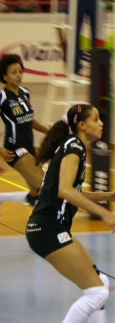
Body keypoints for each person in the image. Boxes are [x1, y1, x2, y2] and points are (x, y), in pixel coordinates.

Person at [25, 103, 115, 323]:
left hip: (50, 228)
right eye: (96, 119)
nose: (101, 123)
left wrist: (108, 196)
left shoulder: (73, 146)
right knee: (97, 293)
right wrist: (105, 214)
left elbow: (72, 191)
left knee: (100, 282)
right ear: (82, 126)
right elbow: (65, 191)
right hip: (47, 229)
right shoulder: (75, 148)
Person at [0, 54, 48, 210]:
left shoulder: (25, 92)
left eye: (20, 71)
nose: (18, 75)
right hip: (14, 150)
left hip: (30, 148)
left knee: (36, 193)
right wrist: (0, 150)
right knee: (46, 186)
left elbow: (30, 120)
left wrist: (49, 131)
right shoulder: (2, 97)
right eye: (14, 72)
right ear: (5, 76)